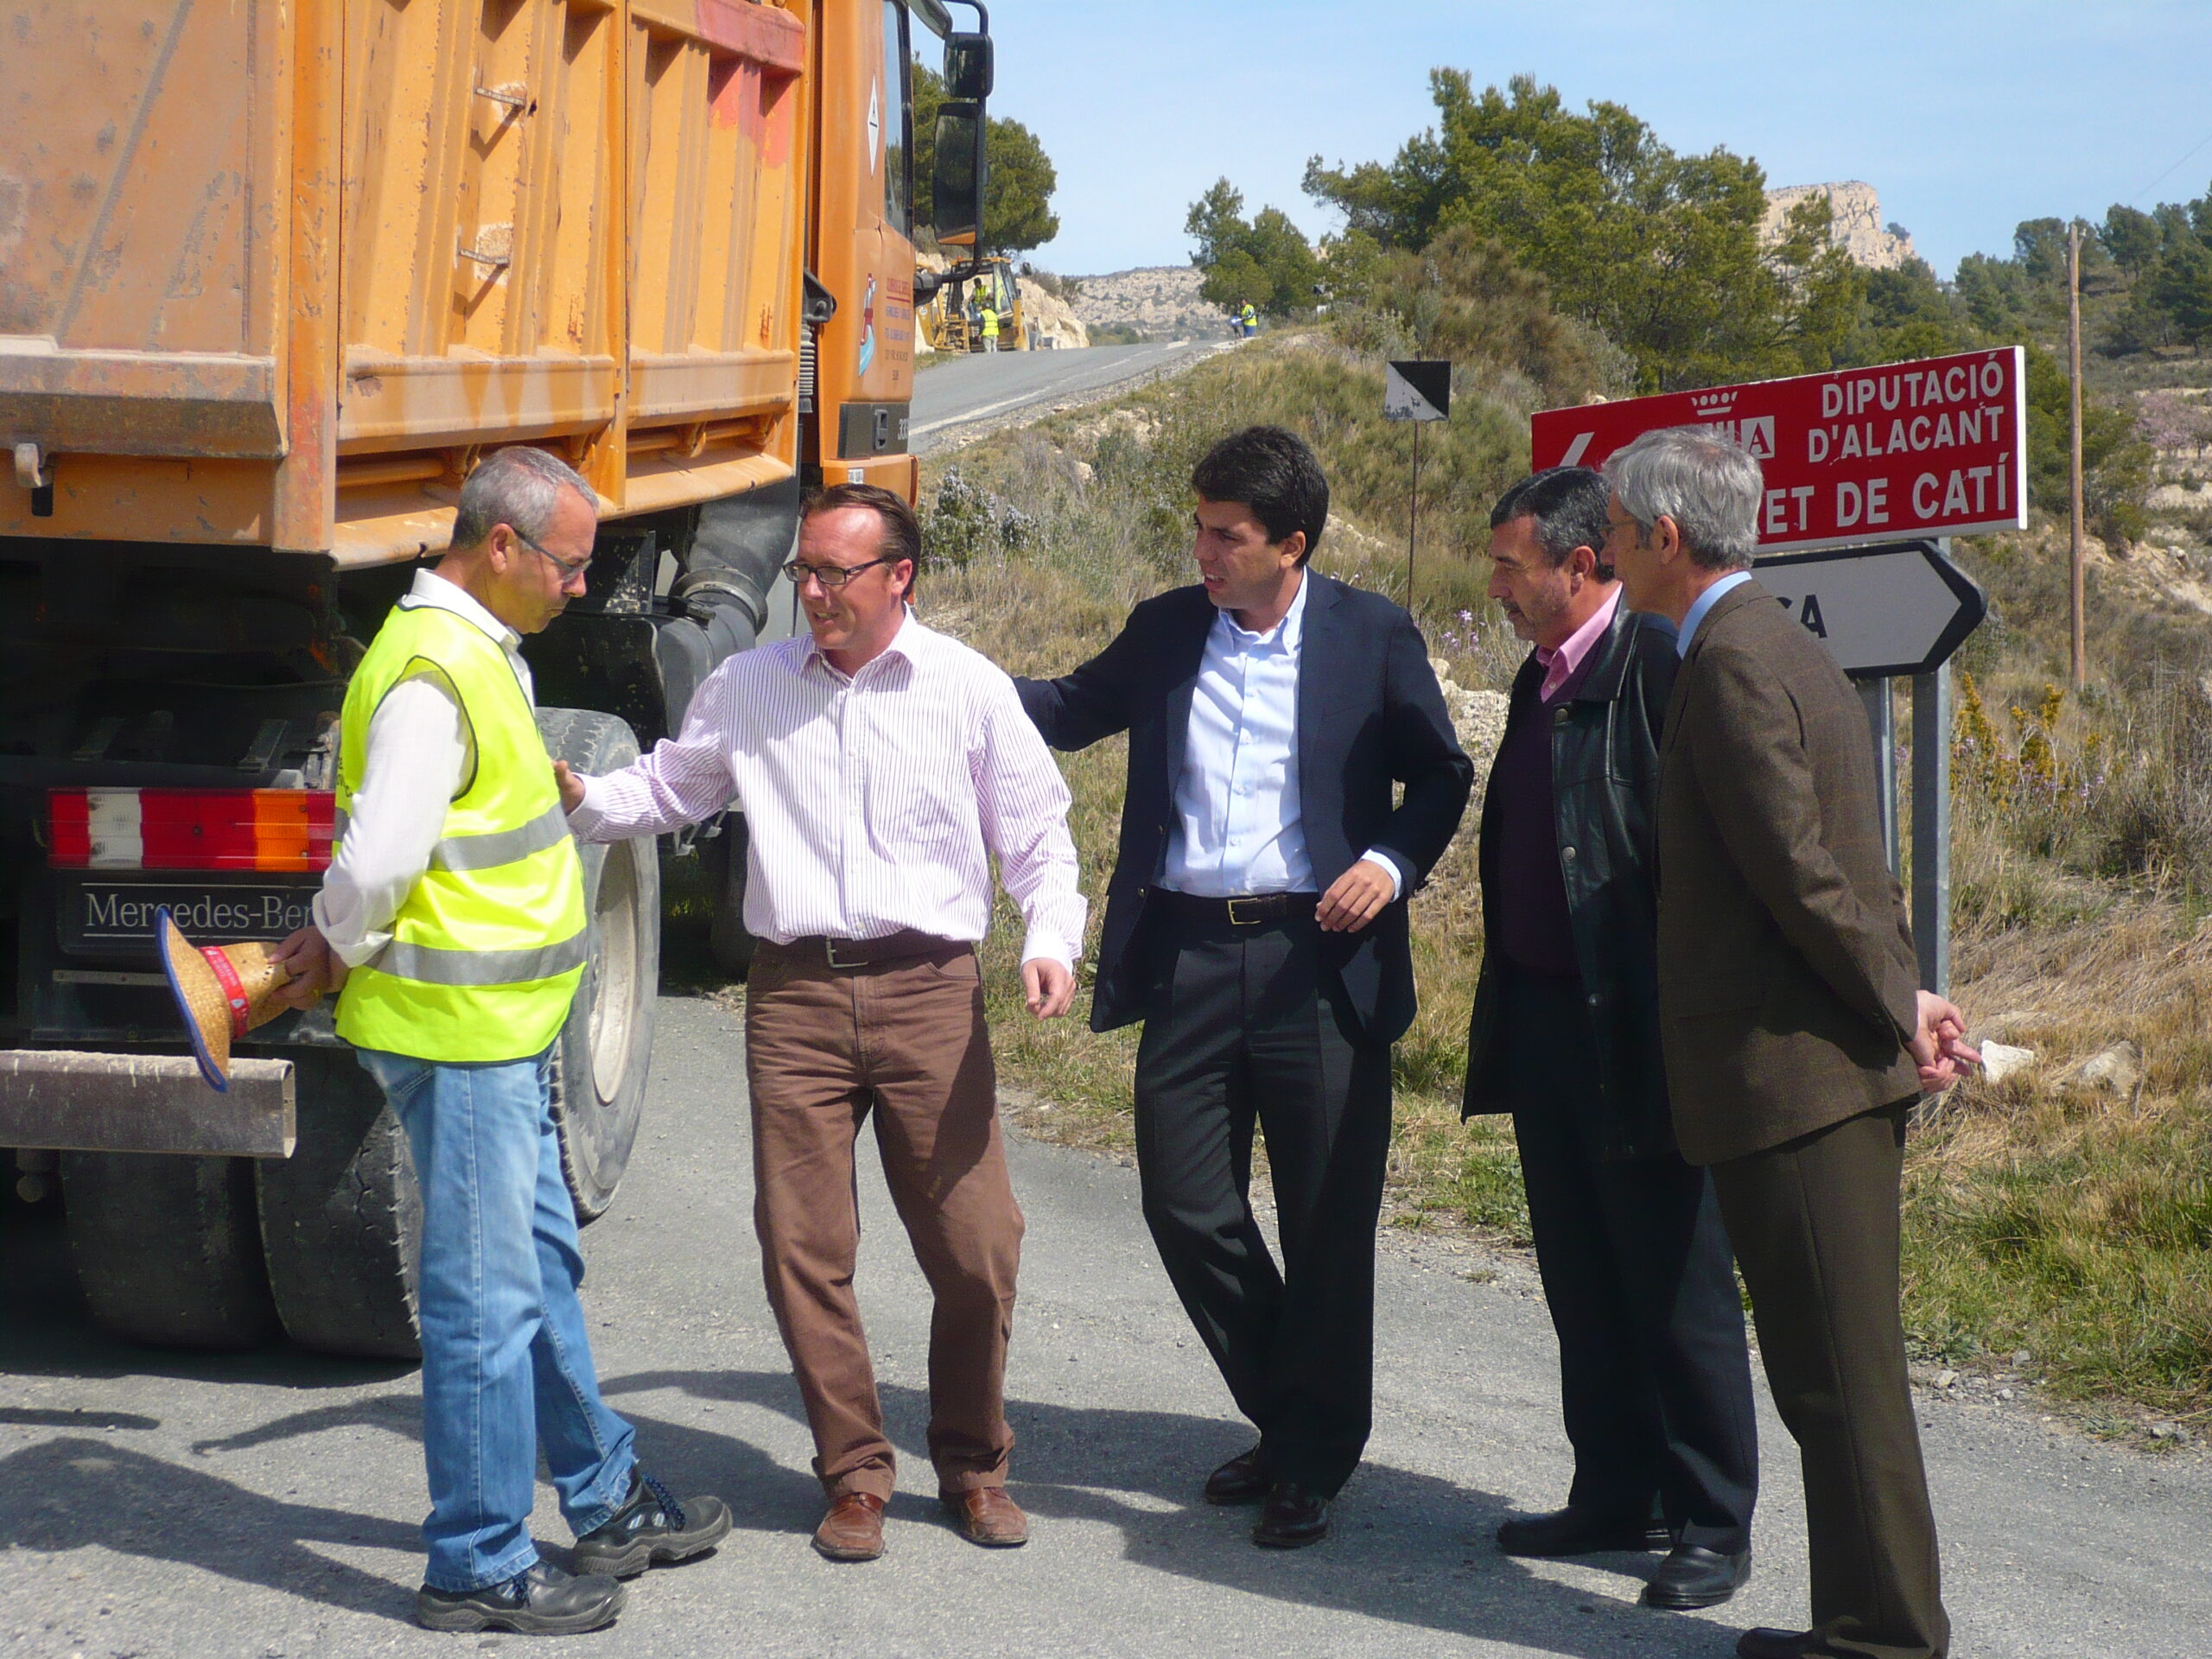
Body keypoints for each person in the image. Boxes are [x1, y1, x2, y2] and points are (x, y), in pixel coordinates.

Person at [557, 482, 1084, 1566]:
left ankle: (974, 1463)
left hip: (928, 991)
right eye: (802, 571)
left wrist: (1050, 938)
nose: (810, 592)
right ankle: (854, 1475)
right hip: (794, 994)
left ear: (899, 577)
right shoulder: (750, 685)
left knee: (979, 1248)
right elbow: (675, 790)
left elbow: (1037, 835)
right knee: (804, 1247)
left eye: (834, 574)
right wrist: (580, 798)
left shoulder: (967, 688)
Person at [271, 446, 732, 1637]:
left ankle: (605, 1496)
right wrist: (337, 939)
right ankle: (476, 1561)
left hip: (499, 1027)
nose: (582, 586)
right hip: (459, 1032)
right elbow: (376, 860)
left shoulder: (476, 652)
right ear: (501, 547)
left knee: (534, 1267)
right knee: (483, 1299)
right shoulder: (433, 675)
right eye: (569, 566)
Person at [1015, 426, 1471, 1548]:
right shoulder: (1169, 628)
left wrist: (1389, 863)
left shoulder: (1370, 633)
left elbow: (1441, 774)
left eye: (1228, 537)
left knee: (1325, 1222)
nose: (1205, 553)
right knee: (1182, 1200)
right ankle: (1298, 1411)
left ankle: (1307, 1459)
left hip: (1320, 957)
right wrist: (933, 667)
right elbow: (1067, 710)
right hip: (1189, 955)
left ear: (1292, 545)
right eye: (1200, 531)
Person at [1602, 425, 1978, 1659]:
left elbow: (1799, 872)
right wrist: (1903, 994)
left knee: (1839, 1386)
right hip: (1821, 1067)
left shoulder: (1728, 663)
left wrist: (1896, 1002)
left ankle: (1882, 1638)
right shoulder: (1779, 644)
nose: (1606, 550)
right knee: (1838, 1380)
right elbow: (1849, 862)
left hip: (1798, 1079)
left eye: (1616, 532)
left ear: (1666, 538)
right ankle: (1866, 1624)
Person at [1462, 467, 1759, 1610]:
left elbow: (1710, 851)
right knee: (1582, 1272)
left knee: (1674, 1277)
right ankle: (1615, 1491)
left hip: (1637, 1023)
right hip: (1546, 1019)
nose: (1495, 586)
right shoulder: (1543, 677)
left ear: (1582, 566)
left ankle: (1709, 1520)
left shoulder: (1661, 666)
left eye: (1510, 566)